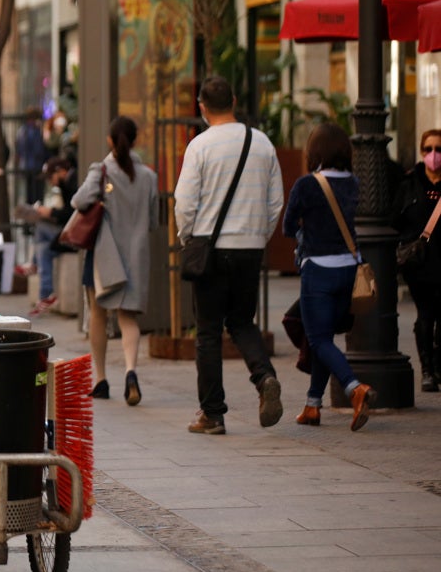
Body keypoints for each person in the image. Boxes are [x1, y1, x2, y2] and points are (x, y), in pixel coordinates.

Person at [173, 75, 284, 435]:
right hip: (250, 247)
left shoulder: (200, 146)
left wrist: (187, 238)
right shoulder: (262, 143)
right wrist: (258, 235)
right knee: (241, 322)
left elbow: (185, 203)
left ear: (202, 107)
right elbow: (275, 202)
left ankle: (213, 414)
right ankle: (264, 376)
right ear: (234, 100)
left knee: (207, 332)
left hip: (211, 248)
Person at [283, 123, 376, 431]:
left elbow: (287, 227)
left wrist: (303, 231)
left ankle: (354, 389)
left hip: (318, 272)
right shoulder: (353, 182)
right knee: (324, 339)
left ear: (315, 152)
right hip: (349, 270)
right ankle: (312, 406)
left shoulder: (307, 184)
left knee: (319, 339)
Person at [72, 116, 158, 405]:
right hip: (136, 256)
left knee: (98, 314)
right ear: (135, 141)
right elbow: (154, 220)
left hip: (104, 255)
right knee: (128, 317)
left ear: (110, 140)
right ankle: (131, 372)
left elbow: (79, 201)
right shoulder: (149, 176)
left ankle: (101, 379)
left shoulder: (102, 170)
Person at [392, 128, 441, 393]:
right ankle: (427, 371)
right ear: (422, 153)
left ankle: (437, 363)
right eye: (428, 149)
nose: (434, 155)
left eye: (439, 149)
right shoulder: (409, 184)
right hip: (420, 266)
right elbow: (395, 222)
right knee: (426, 315)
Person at [27, 156, 78, 316]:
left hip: (75, 235)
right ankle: (46, 295)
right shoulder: (66, 184)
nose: (50, 182)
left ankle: (34, 266)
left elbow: (73, 212)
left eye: (51, 177)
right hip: (68, 230)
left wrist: (51, 212)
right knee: (43, 249)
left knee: (41, 229)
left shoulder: (73, 181)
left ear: (61, 172)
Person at [15, 106, 48, 204]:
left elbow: (18, 150)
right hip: (36, 166)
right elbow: (39, 150)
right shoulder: (35, 131)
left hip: (27, 166)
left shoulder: (22, 131)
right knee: (37, 194)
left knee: (30, 194)